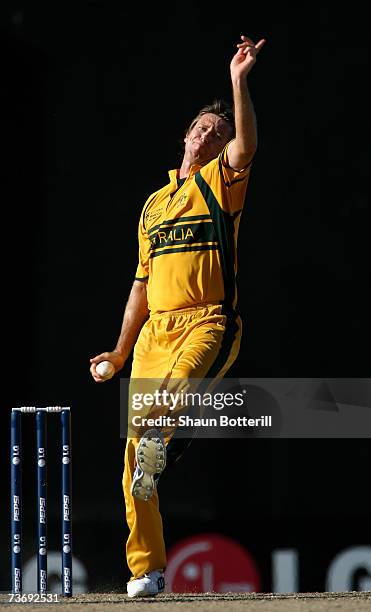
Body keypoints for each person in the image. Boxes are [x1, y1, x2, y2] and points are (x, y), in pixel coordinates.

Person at [90, 33, 265, 597]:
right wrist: (120, 351)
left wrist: (238, 82)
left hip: (208, 321)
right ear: (187, 137)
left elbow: (247, 147)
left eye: (219, 132)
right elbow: (140, 286)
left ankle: (169, 436)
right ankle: (147, 570)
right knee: (134, 462)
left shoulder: (223, 182)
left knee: (175, 393)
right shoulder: (155, 205)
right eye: (202, 129)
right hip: (153, 336)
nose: (210, 136)